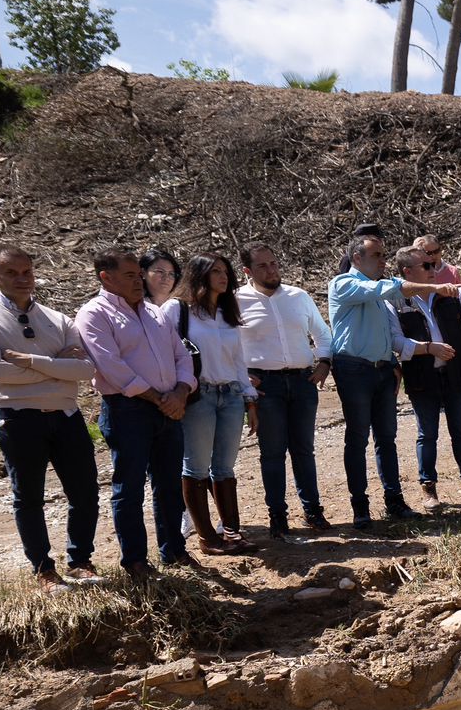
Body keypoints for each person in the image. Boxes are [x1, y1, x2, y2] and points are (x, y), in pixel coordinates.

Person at [0, 244, 100, 586]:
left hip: (66, 415)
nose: (22, 279)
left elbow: (86, 368)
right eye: (12, 272)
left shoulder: (57, 318)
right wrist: (57, 368)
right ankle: (43, 569)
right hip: (18, 417)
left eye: (27, 272)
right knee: (29, 497)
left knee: (85, 492)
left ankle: (80, 560)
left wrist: (32, 362)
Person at [325, 233, 459, 524]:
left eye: (384, 254)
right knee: (358, 438)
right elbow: (393, 288)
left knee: (387, 439)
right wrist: (434, 284)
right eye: (377, 255)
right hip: (355, 370)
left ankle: (394, 501)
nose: (384, 260)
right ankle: (360, 507)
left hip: (382, 370)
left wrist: (391, 363)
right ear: (357, 258)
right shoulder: (345, 283)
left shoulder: (375, 290)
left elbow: (387, 326)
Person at [77, 248, 195, 576]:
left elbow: (182, 356)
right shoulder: (94, 314)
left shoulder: (154, 313)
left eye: (138, 274)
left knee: (170, 484)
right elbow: (113, 368)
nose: (138, 280)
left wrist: (181, 392)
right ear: (106, 277)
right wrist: (162, 399)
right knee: (129, 488)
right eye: (130, 275)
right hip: (128, 411)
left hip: (169, 407)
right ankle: (136, 561)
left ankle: (174, 550)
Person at [160, 255, 257, 555]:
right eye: (215, 271)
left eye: (225, 271)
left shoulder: (228, 312)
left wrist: (249, 398)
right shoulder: (178, 310)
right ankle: (206, 537)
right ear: (198, 275)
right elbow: (166, 352)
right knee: (197, 466)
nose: (223, 276)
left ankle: (232, 531)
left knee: (225, 467)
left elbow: (238, 360)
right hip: (197, 395)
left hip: (230, 396)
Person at [237, 243, 333, 538]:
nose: (272, 270)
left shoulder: (298, 296)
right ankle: (277, 516)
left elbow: (322, 332)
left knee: (304, 450)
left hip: (303, 382)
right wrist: (243, 377)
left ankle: (313, 511)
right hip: (267, 387)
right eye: (263, 266)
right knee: (272, 453)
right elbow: (226, 344)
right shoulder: (235, 301)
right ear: (247, 271)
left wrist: (324, 362)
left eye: (274, 263)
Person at [394, 245, 461, 510]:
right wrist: (428, 348)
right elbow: (396, 341)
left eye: (433, 264)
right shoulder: (397, 302)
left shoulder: (448, 294)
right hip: (423, 377)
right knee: (427, 435)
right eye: (426, 266)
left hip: (455, 375)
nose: (433, 269)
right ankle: (429, 491)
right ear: (407, 272)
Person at [139, 246, 180, 313]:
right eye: (160, 272)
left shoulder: (183, 307)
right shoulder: (134, 307)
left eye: (171, 274)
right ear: (143, 273)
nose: (166, 278)